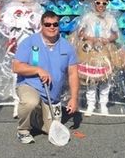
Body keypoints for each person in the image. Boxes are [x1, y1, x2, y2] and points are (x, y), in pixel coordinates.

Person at [12, 11, 79, 144]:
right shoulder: (29, 42)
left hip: (51, 96)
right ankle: (23, 130)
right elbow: (16, 67)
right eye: (47, 24)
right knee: (30, 102)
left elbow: (73, 74)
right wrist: (37, 70)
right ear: (41, 25)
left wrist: (74, 98)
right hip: (30, 85)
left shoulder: (67, 46)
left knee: (51, 130)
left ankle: (35, 117)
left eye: (55, 24)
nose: (52, 27)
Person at [0, 0, 44, 116]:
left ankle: (34, 101)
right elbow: (1, 24)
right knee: (15, 73)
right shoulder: (10, 6)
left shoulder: (36, 6)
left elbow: (41, 24)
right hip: (15, 44)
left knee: (33, 69)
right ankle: (17, 102)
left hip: (32, 44)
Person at [75, 0, 120, 116]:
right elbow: (80, 32)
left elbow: (116, 34)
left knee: (105, 78)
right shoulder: (88, 16)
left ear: (107, 3)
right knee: (91, 79)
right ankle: (91, 104)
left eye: (104, 3)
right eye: (98, 2)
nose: (101, 5)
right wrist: (89, 37)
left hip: (105, 48)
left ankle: (103, 104)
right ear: (94, 2)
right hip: (90, 50)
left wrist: (108, 39)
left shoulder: (110, 18)